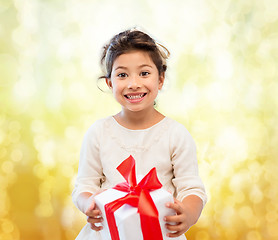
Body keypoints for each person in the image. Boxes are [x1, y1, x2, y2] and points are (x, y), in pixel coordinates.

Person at [72, 28, 207, 240]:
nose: (133, 84)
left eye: (144, 73)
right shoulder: (98, 133)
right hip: (108, 232)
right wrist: (88, 203)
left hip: (160, 232)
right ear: (109, 82)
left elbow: (192, 189)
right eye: (122, 74)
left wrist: (188, 214)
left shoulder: (175, 134)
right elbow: (84, 186)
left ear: (161, 79)